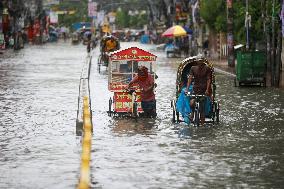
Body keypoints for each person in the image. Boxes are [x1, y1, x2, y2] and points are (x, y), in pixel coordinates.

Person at [185, 61, 211, 126]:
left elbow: (208, 79)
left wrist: (207, 90)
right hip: (195, 89)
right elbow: (190, 78)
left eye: (201, 64)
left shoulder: (207, 68)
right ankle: (192, 113)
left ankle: (202, 125)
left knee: (202, 108)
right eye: (199, 63)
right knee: (192, 103)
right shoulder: (193, 68)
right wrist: (187, 89)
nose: (200, 65)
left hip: (204, 90)